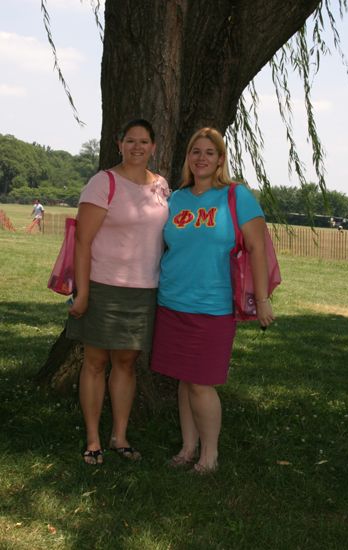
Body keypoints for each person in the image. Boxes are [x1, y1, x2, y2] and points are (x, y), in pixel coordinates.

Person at [150, 127, 274, 473]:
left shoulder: (236, 196)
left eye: (209, 152)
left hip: (214, 307)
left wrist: (262, 299)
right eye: (195, 151)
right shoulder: (176, 199)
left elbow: (257, 249)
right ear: (188, 157)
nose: (201, 158)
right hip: (173, 301)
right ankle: (188, 448)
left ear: (220, 159)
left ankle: (210, 455)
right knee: (183, 379)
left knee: (202, 382)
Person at [66, 119, 170, 465]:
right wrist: (82, 293)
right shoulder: (103, 183)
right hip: (103, 287)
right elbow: (82, 242)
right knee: (95, 363)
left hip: (143, 290)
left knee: (126, 363)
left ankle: (119, 436)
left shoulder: (161, 188)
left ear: (154, 147)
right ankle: (93, 439)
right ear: (119, 144)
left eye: (144, 142)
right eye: (130, 141)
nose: (137, 147)